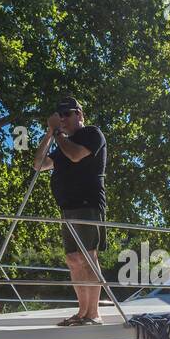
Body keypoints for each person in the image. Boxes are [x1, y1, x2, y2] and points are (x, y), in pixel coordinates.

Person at [34, 97, 108, 326]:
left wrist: (58, 135)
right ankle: (82, 311)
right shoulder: (61, 145)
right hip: (67, 208)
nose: (63, 118)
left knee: (87, 256)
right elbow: (38, 164)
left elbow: (76, 155)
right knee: (72, 259)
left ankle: (93, 313)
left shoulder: (91, 134)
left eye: (67, 114)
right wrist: (49, 133)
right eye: (60, 115)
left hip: (87, 204)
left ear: (79, 114)